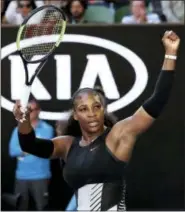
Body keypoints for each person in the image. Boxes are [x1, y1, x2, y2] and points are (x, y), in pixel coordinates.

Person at [13, 30, 180, 210]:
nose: (92, 113)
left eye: (97, 107)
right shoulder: (68, 145)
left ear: (103, 110)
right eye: (84, 109)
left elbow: (157, 101)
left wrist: (170, 54)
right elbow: (29, 145)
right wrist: (23, 121)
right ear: (75, 115)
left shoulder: (117, 136)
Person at [9, 99, 54, 210]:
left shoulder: (47, 129)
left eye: (31, 110)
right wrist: (30, 147)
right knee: (20, 208)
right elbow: (12, 151)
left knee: (42, 208)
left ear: (38, 111)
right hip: (21, 177)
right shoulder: (17, 129)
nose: (28, 113)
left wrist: (25, 148)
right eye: (26, 110)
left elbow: (44, 149)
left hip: (40, 176)